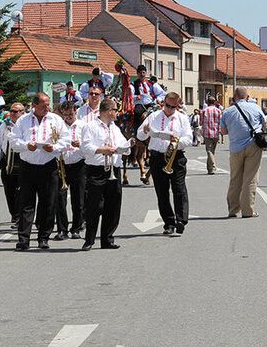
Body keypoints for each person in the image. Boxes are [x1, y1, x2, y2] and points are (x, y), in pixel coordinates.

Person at [9, 92, 71, 250]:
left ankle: (43, 237)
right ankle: (23, 239)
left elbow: (66, 139)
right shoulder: (23, 120)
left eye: (48, 104)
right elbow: (13, 140)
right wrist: (25, 145)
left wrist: (55, 147)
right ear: (34, 105)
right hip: (27, 166)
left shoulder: (55, 119)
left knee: (48, 203)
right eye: (44, 105)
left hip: (48, 166)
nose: (47, 108)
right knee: (26, 204)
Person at [137, 92, 192, 234]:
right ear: (164, 103)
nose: (169, 109)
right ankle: (169, 223)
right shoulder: (154, 116)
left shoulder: (182, 118)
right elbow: (139, 135)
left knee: (179, 189)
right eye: (167, 105)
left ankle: (181, 220)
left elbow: (188, 139)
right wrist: (144, 130)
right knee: (162, 192)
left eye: (172, 107)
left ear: (177, 106)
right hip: (157, 158)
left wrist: (176, 142)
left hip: (176, 157)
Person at [80, 98, 131, 250]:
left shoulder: (114, 128)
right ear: (109, 111)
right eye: (116, 110)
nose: (117, 113)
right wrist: (103, 150)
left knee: (113, 206)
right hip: (96, 169)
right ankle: (89, 240)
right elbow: (85, 146)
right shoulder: (90, 126)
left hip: (113, 169)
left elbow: (123, 146)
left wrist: (129, 145)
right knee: (94, 206)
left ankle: (107, 239)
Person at [220, 87, 266, 218]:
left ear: (234, 97)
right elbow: (265, 121)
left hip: (235, 147)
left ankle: (233, 210)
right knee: (250, 178)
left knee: (235, 178)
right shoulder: (255, 107)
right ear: (248, 97)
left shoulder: (227, 111)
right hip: (253, 145)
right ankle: (247, 211)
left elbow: (223, 132)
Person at [54, 100, 87, 240]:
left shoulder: (83, 126)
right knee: (60, 198)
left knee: (78, 199)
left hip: (79, 164)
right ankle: (62, 230)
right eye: (66, 115)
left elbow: (91, 145)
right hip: (61, 164)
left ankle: (76, 228)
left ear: (75, 112)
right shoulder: (58, 126)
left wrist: (81, 144)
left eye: (71, 115)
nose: (68, 117)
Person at [0, 102, 25, 227]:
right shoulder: (4, 125)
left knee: (21, 191)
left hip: (23, 161)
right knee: (9, 190)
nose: (13, 114)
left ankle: (19, 217)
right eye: (11, 111)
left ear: (22, 113)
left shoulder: (26, 125)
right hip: (7, 162)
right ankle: (14, 214)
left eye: (16, 111)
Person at [131, 64, 166, 137]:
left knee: (160, 113)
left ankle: (161, 132)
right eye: (140, 73)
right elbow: (129, 95)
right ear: (137, 74)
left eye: (143, 73)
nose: (142, 74)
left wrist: (158, 99)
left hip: (151, 104)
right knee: (136, 113)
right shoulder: (133, 84)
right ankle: (137, 133)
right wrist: (135, 97)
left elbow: (162, 93)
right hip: (140, 105)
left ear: (146, 73)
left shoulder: (151, 84)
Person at [200, 96, 222, 174]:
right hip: (216, 133)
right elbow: (220, 122)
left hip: (207, 133)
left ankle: (212, 166)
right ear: (215, 102)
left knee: (209, 151)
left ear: (207, 102)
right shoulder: (218, 111)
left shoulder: (203, 111)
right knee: (212, 151)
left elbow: (201, 122)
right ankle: (210, 168)